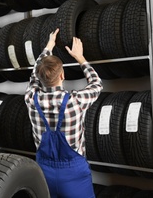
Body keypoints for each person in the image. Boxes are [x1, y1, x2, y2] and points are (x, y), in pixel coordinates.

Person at [24, 28, 103, 198]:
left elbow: (34, 75)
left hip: (44, 173)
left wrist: (48, 46)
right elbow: (97, 83)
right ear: (62, 75)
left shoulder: (31, 98)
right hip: (74, 174)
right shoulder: (75, 101)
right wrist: (79, 57)